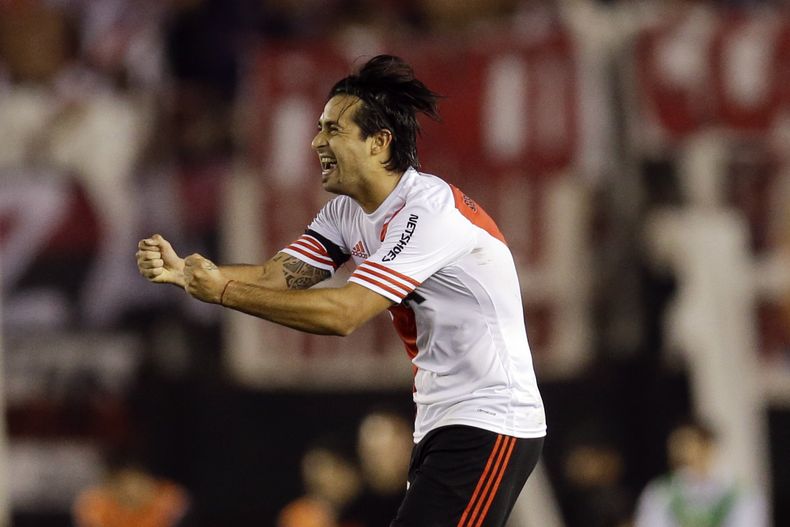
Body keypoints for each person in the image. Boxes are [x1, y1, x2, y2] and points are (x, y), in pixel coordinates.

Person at [136, 54, 546, 526]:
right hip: (442, 420)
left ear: (379, 142)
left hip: (490, 419)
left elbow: (343, 314)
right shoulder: (346, 212)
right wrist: (190, 272)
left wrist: (223, 293)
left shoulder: (428, 212)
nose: (315, 142)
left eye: (333, 130)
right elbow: (277, 275)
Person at [634, 419, 768, 527]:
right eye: (674, 445)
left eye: (685, 444)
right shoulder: (660, 491)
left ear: (707, 445)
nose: (678, 452)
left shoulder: (739, 491)